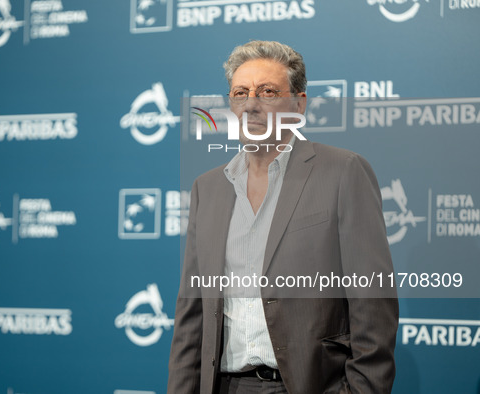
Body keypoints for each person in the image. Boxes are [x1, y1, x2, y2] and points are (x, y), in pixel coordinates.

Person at [167, 40, 399, 394]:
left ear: (299, 104)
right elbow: (191, 316)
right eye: (240, 93)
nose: (251, 105)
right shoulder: (208, 188)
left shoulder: (343, 172)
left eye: (268, 92)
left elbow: (373, 305)